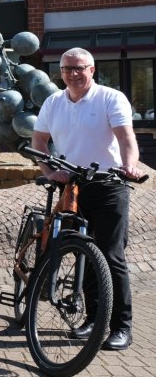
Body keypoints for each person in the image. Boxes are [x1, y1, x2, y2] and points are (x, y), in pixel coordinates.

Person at [32, 47, 143, 351]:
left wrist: (129, 165)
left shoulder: (110, 97)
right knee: (83, 253)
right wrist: (50, 169)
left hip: (108, 184)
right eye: (67, 69)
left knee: (111, 255)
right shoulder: (54, 101)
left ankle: (122, 327)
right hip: (73, 186)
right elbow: (39, 140)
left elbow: (125, 136)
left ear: (92, 70)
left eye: (79, 68)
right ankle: (94, 319)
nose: (73, 74)